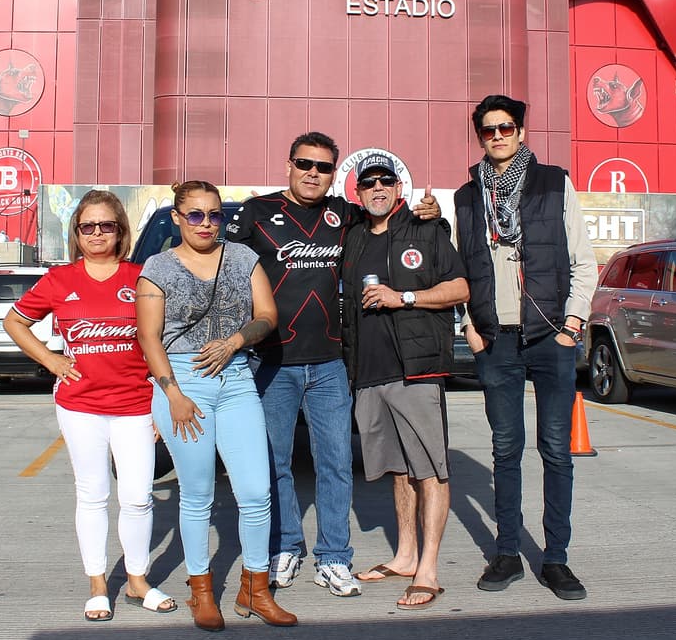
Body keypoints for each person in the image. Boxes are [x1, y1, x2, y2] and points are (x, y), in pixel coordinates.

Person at [226, 132, 441, 597]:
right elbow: (219, 269)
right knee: (273, 464)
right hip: (272, 361)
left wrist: (430, 213)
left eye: (324, 168)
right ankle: (286, 547)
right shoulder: (256, 213)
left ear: (334, 175)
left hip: (329, 363)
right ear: (288, 164)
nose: (312, 173)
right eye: (305, 164)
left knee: (336, 463)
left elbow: (391, 218)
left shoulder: (346, 215)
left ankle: (334, 557)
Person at [3, 189, 175, 622]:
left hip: (135, 403)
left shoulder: (142, 276)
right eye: (87, 226)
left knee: (137, 498)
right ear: (76, 233)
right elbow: (15, 321)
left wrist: (161, 398)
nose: (97, 233)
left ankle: (138, 581)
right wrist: (50, 359)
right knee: (93, 495)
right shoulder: (60, 281)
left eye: (107, 225)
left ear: (121, 231)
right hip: (80, 406)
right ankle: (98, 585)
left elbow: (160, 341)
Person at [453, 94, 598, 601]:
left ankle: (556, 559)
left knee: (556, 450)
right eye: (488, 130)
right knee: (505, 450)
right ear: (479, 136)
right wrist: (468, 326)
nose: (497, 136)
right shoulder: (467, 196)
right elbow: (461, 270)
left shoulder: (553, 182)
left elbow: (583, 259)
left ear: (521, 131)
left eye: (506, 128)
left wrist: (572, 325)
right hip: (495, 340)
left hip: (549, 336)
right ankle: (507, 553)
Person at [135, 180, 298, 631]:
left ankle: (255, 589)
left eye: (214, 215)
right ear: (177, 218)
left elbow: (267, 315)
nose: (207, 223)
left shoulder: (243, 258)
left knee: (255, 493)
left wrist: (237, 340)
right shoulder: (157, 267)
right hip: (183, 385)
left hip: (237, 380)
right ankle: (201, 590)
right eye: (196, 215)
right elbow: (148, 336)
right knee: (198, 494)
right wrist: (173, 395)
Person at [339, 153, 469, 611]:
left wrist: (404, 297)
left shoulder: (425, 229)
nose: (377, 188)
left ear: (399, 188)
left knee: (431, 468)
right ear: (357, 193)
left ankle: (429, 570)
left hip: (416, 369)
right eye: (368, 182)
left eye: (385, 181)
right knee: (398, 471)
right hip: (369, 372)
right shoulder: (353, 236)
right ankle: (405, 556)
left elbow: (459, 288)